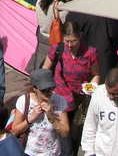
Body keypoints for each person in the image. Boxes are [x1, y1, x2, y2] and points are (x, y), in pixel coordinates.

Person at [42, 20, 99, 154]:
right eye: (66, 41)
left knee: (75, 142)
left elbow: (95, 75)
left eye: (73, 41)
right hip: (60, 104)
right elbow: (44, 71)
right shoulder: (57, 49)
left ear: (80, 36)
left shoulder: (90, 53)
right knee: (64, 145)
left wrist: (92, 87)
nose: (69, 45)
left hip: (79, 104)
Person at [66, 0, 118, 73]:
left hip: (82, 60)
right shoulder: (102, 13)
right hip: (101, 61)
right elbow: (117, 35)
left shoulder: (71, 14)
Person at [10, 69, 70, 156]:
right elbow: (14, 131)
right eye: (44, 90)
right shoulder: (24, 101)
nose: (49, 93)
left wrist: (51, 117)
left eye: (51, 88)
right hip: (29, 153)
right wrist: (31, 118)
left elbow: (65, 133)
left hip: (53, 153)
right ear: (34, 88)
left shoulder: (60, 101)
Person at [25, 0, 70, 73]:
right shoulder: (60, 7)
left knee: (39, 64)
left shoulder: (40, 0)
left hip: (41, 36)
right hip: (54, 40)